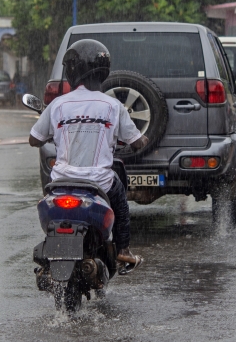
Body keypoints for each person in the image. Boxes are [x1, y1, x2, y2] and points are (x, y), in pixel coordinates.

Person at [28, 39, 148, 270]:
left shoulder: (58, 104)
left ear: (72, 71)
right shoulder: (113, 106)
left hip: (62, 180)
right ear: (103, 71)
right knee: (121, 205)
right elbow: (136, 142)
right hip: (99, 182)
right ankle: (123, 250)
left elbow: (34, 139)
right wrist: (145, 139)